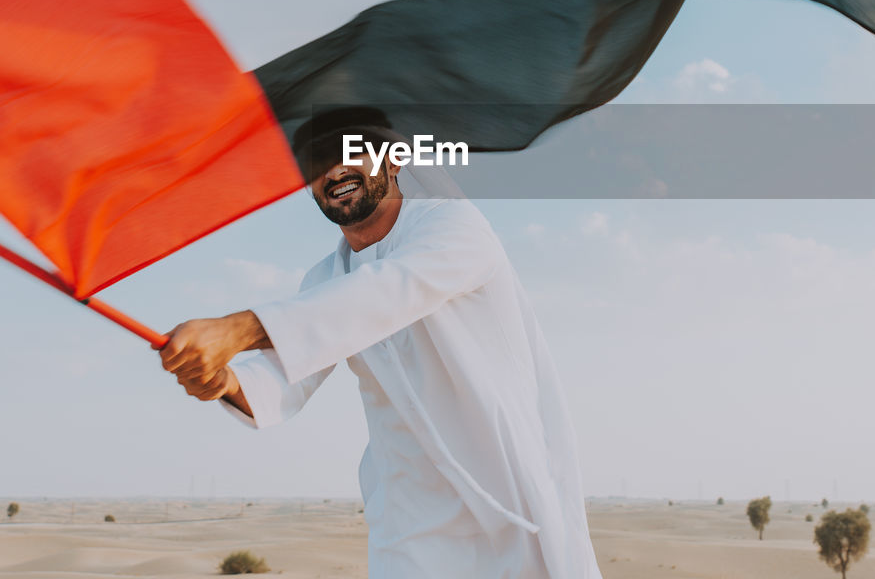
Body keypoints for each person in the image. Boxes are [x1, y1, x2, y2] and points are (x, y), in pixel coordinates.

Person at [159, 107, 603, 578]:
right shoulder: (325, 279)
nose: (334, 171)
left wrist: (238, 329)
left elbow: (383, 293)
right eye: (316, 164)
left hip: (513, 510)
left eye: (352, 152)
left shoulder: (454, 226)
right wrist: (219, 380)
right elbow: (280, 382)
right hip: (408, 527)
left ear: (394, 161)